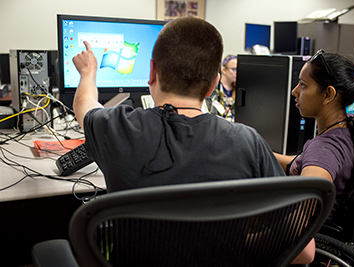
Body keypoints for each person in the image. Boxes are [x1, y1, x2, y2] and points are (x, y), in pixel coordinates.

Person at [72, 17, 314, 265]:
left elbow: (84, 106)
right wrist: (233, 246)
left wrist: (88, 72)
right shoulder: (248, 142)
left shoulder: (115, 128)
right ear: (213, 86)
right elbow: (305, 251)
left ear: (152, 72)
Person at [274, 50, 354, 242]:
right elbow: (303, 163)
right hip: (341, 238)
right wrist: (259, 150)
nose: (294, 91)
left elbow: (299, 219)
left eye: (303, 85)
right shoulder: (351, 130)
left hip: (314, 244)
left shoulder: (324, 148)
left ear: (328, 94)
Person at [209, 55, 237, 120]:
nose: (237, 72)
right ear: (224, 70)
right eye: (234, 69)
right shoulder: (214, 88)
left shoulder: (239, 90)